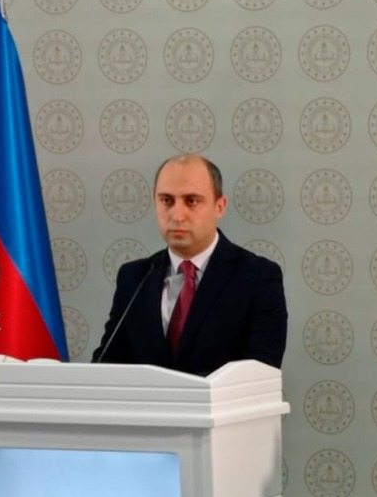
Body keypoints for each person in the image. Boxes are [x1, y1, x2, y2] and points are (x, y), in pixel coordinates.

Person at [93, 154, 287, 375]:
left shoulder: (258, 277)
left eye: (191, 201)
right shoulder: (134, 277)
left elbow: (260, 374)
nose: (177, 215)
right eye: (167, 201)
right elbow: (107, 366)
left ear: (220, 206)